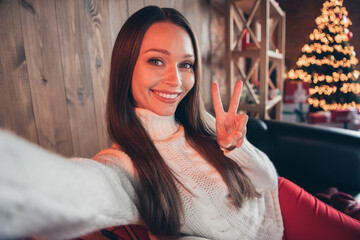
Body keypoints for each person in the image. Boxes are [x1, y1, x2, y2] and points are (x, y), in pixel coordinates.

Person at [0, 5, 360, 240]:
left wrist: (237, 148)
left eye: (186, 64)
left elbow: (267, 182)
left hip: (281, 203)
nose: (176, 80)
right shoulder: (121, 164)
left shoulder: (201, 121)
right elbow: (79, 188)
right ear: (127, 68)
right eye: (157, 60)